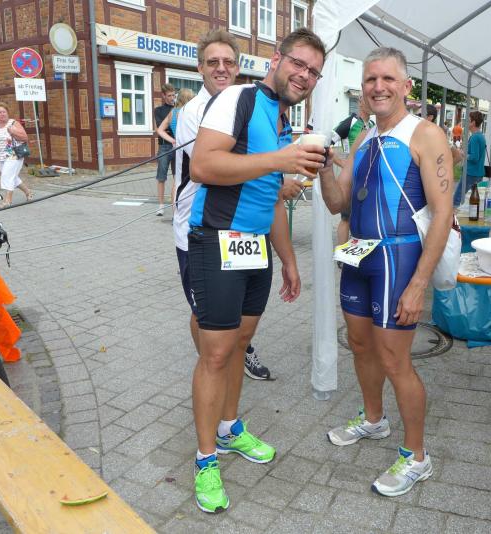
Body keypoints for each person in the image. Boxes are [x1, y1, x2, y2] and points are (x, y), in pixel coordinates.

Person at [186, 28, 326, 513]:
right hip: (216, 239)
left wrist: (288, 260)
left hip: (255, 247)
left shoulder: (283, 119)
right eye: (298, 64)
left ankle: (228, 429)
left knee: (240, 343)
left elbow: (270, 200)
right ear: (276, 59)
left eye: (313, 72)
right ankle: (205, 459)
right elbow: (203, 166)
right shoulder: (237, 99)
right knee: (216, 353)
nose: (304, 75)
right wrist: (280, 159)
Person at [317, 47, 453, 497]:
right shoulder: (363, 137)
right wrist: (324, 166)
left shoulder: (425, 134)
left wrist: (418, 285)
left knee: (395, 360)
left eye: (388, 79)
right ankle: (374, 419)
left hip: (398, 259)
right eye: (371, 79)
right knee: (360, 345)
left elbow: (443, 213)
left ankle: (417, 457)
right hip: (359, 256)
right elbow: (338, 203)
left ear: (406, 86)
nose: (378, 87)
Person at [173, 30, 280, 387]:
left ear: (238, 67)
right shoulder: (194, 111)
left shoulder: (246, 102)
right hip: (198, 228)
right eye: (213, 62)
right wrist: (277, 172)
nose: (221, 68)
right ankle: (212, 368)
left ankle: (232, 356)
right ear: (200, 68)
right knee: (203, 312)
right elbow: (213, 168)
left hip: (241, 229)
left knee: (237, 315)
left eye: (228, 62)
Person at [333, 98, 374, 248]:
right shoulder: (350, 122)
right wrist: (342, 163)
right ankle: (340, 254)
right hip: (350, 177)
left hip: (367, 177)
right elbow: (327, 143)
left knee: (365, 215)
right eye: (367, 100)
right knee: (346, 217)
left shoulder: (373, 125)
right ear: (360, 102)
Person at [0, 102, 32, 207]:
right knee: (12, 177)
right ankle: (28, 192)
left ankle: (8, 201)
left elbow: (25, 138)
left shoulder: (13, 123)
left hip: (14, 154)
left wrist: (13, 133)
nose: (2, 114)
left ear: (7, 112)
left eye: (4, 112)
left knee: (7, 176)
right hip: (1, 155)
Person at [157, 88, 195, 209]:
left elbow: (160, 130)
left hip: (177, 149)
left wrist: (173, 140)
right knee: (191, 180)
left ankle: (175, 212)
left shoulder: (172, 112)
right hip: (189, 149)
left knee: (177, 181)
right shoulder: (189, 112)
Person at [453, 110, 486, 206]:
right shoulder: (480, 136)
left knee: (457, 199)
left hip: (471, 173)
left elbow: (474, 157)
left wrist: (463, 154)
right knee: (474, 201)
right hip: (477, 172)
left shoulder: (475, 137)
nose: (466, 122)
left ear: (473, 123)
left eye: (468, 120)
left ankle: (453, 214)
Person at [153, 83, 177, 216]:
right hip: (164, 146)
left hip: (178, 146)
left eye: (173, 95)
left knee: (177, 177)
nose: (172, 98)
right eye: (169, 96)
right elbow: (161, 128)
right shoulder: (158, 110)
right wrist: (169, 130)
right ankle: (161, 205)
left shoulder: (178, 108)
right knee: (161, 176)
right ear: (163, 96)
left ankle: (175, 205)